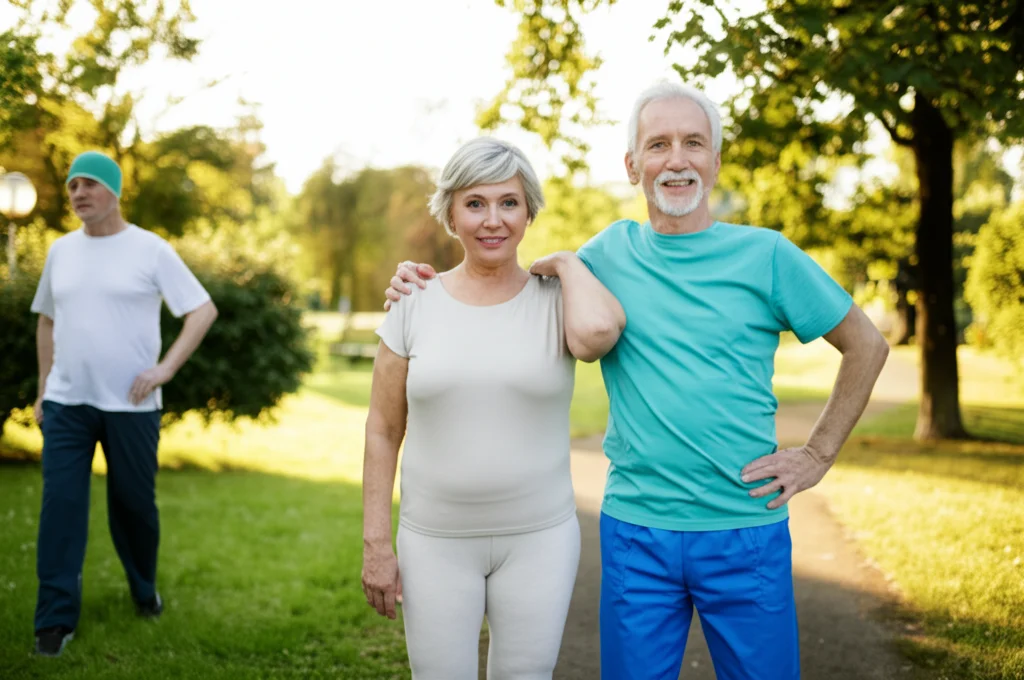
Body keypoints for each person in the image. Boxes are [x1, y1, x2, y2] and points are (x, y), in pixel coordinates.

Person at [383, 81, 891, 679]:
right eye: (658, 145)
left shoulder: (768, 256)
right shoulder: (605, 256)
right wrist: (420, 286)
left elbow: (866, 344)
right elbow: (506, 278)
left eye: (693, 143)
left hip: (744, 526)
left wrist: (818, 453)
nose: (676, 159)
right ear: (632, 166)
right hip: (636, 533)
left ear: (716, 161)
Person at [361, 136, 625, 679]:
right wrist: (376, 545)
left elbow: (599, 334)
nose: (492, 220)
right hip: (433, 541)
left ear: (529, 211)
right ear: (451, 214)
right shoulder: (413, 302)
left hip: (539, 540)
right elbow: (383, 430)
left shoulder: (558, 302)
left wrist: (569, 265)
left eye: (509, 202)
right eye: (475, 203)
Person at [29, 151, 218, 657]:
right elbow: (47, 320)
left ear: (113, 191)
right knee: (61, 509)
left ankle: (143, 589)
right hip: (68, 403)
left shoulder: (150, 250)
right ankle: (53, 621)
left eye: (89, 184)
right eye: (72, 186)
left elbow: (202, 309)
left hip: (132, 406)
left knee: (133, 506)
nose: (78, 194)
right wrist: (44, 388)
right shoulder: (60, 252)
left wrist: (165, 369)